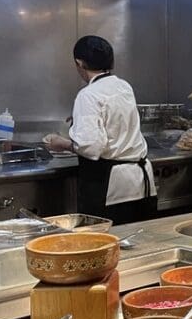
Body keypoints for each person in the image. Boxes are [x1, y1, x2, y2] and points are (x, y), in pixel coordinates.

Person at [44, 36, 156, 224]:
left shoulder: (88, 95)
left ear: (79, 63)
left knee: (106, 246)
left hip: (111, 188)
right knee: (139, 241)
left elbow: (90, 147)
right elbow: (115, 118)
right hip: (139, 182)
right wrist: (81, 119)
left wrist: (61, 143)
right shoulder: (123, 86)